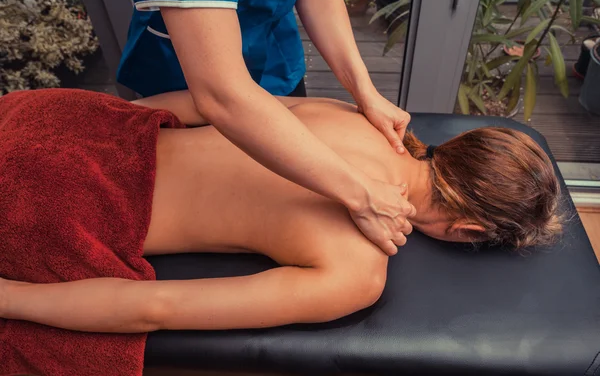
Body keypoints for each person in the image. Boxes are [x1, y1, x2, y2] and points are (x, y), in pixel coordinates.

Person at [0, 90, 562, 333]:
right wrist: (10, 299)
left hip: (53, 116)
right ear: (468, 229)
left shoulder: (353, 115)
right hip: (45, 205)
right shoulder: (357, 271)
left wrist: (110, 121)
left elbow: (200, 102)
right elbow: (157, 306)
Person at [118, 0, 414, 256]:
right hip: (184, 67)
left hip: (272, 57)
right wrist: (363, 197)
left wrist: (366, 92)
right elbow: (221, 96)